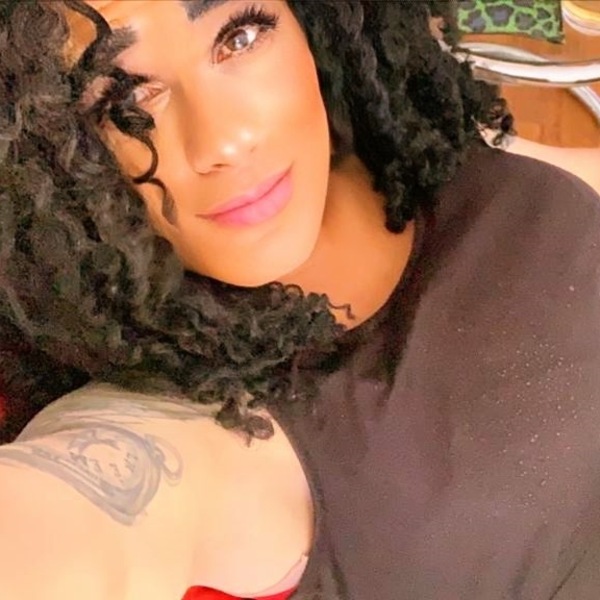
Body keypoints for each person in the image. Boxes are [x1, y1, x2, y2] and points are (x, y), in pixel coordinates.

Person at [1, 1, 600, 599]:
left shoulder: (391, 134)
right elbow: (64, 531)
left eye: (240, 37)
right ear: (50, 149)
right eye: (124, 99)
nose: (228, 139)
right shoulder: (187, 430)